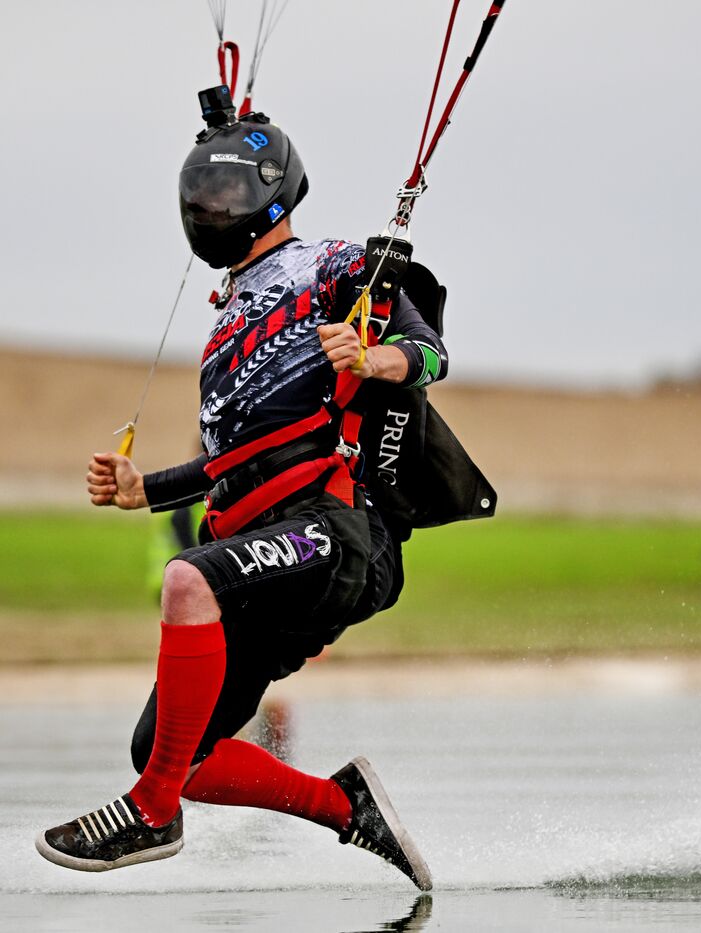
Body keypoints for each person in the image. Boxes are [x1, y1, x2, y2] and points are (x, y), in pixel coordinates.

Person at [35, 91, 446, 890]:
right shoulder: (226, 326)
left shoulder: (333, 267)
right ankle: (345, 806)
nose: (212, 208)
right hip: (255, 536)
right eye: (201, 196)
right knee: (174, 750)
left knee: (187, 578)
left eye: (227, 193)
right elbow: (236, 458)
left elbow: (429, 351)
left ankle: (151, 815)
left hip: (332, 529)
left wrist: (376, 361)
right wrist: (140, 489)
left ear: (273, 188)